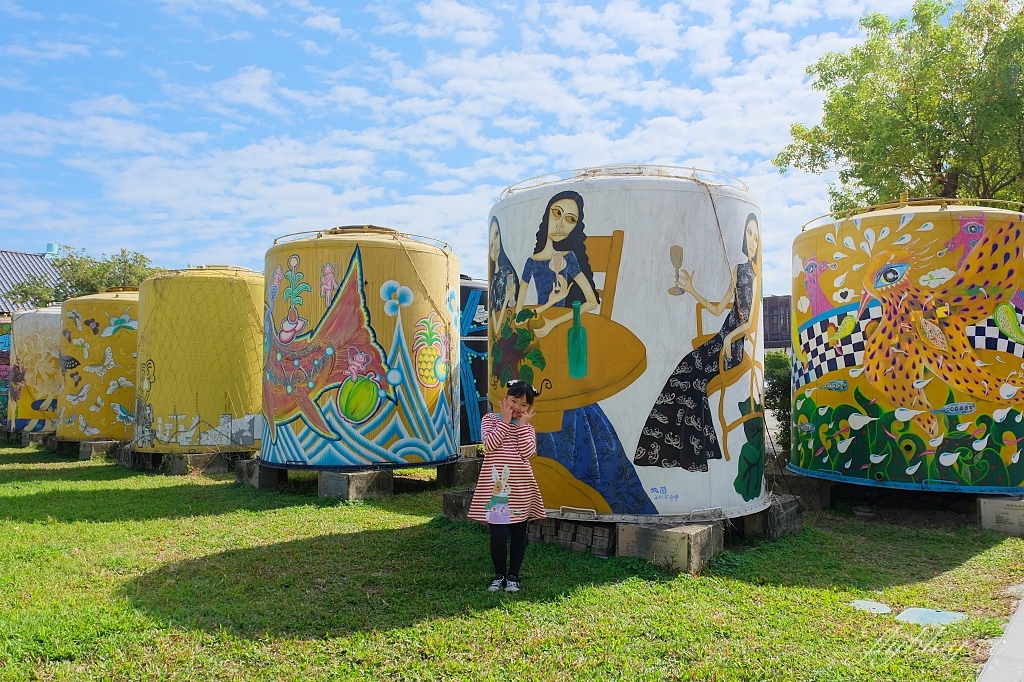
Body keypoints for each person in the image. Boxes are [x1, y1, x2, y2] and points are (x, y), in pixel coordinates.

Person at [516, 191, 657, 515]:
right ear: (546, 216)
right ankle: (547, 477)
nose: (562, 223)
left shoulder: (571, 260)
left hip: (565, 339)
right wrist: (546, 310)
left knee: (574, 403)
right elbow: (520, 306)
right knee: (536, 394)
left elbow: (591, 302)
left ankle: (581, 485)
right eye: (557, 213)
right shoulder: (531, 262)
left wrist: (556, 321)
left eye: (571, 219)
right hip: (540, 340)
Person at [634, 213, 761, 471]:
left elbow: (750, 323)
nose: (753, 240)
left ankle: (694, 453)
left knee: (696, 380)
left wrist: (731, 340)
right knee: (683, 369)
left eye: (756, 236)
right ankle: (667, 449)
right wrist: (692, 290)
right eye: (749, 233)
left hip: (733, 346)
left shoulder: (757, 276)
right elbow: (718, 309)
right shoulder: (738, 269)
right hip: (721, 340)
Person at [468, 379, 546, 592]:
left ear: (529, 408)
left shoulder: (527, 428)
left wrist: (521, 427)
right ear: (505, 399)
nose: (517, 408)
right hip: (498, 494)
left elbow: (527, 453)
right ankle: (499, 575)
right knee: (498, 535)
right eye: (514, 401)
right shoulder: (490, 420)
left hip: (521, 489)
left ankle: (513, 576)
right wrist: (504, 421)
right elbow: (490, 445)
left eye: (524, 405)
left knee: (519, 533)